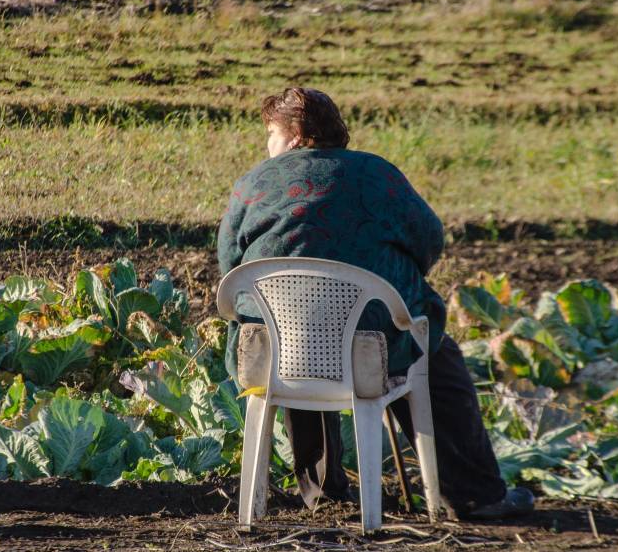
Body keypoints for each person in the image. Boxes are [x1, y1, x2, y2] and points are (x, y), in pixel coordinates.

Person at [217, 87, 534, 520]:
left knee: (290, 330)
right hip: (370, 350)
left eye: (270, 133)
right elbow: (428, 242)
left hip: (273, 356)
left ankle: (323, 493)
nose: (267, 145)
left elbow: (229, 265)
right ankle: (474, 496)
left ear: (293, 135)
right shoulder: (379, 176)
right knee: (426, 346)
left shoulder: (251, 185)